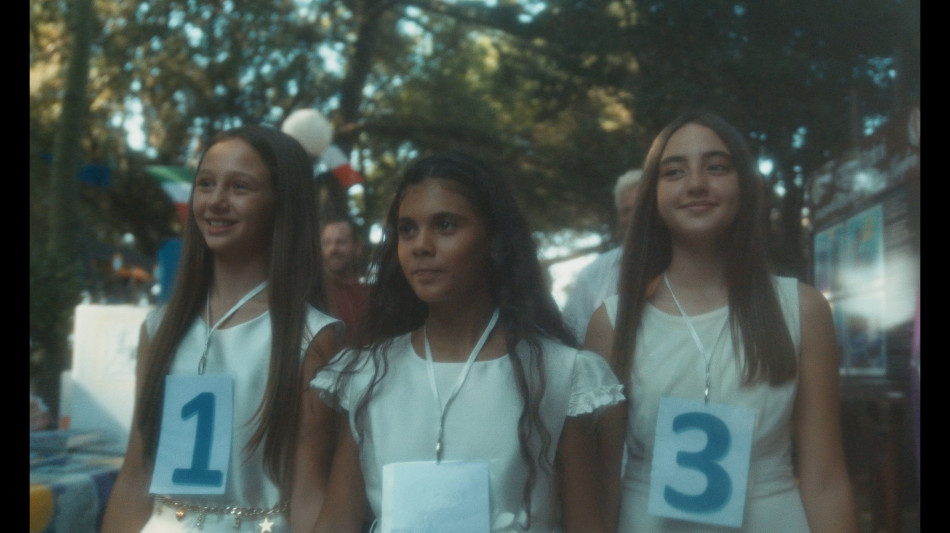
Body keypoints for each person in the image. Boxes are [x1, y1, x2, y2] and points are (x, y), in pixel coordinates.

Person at [308, 153, 625, 532]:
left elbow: (587, 524)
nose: (421, 245)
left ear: (493, 239)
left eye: (445, 225)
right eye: (407, 229)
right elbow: (337, 521)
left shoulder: (559, 373)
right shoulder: (369, 374)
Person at [583, 112, 858, 532]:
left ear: (745, 186)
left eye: (716, 167)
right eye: (674, 171)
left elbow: (825, 479)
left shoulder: (802, 310)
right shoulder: (612, 323)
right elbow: (596, 487)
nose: (696, 183)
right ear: (653, 198)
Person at [102, 125, 343, 533]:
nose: (215, 201)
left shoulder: (312, 337)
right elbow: (136, 475)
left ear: (281, 202)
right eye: (206, 184)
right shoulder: (160, 328)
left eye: (239, 187)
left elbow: (309, 492)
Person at [561, 169, 642, 343]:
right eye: (627, 210)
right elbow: (573, 341)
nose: (636, 218)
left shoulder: (689, 267)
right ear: (620, 218)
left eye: (643, 208)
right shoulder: (592, 275)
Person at [320, 216, 369, 346]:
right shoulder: (316, 295)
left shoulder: (372, 295)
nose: (333, 249)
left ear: (358, 247)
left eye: (341, 242)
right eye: (327, 243)